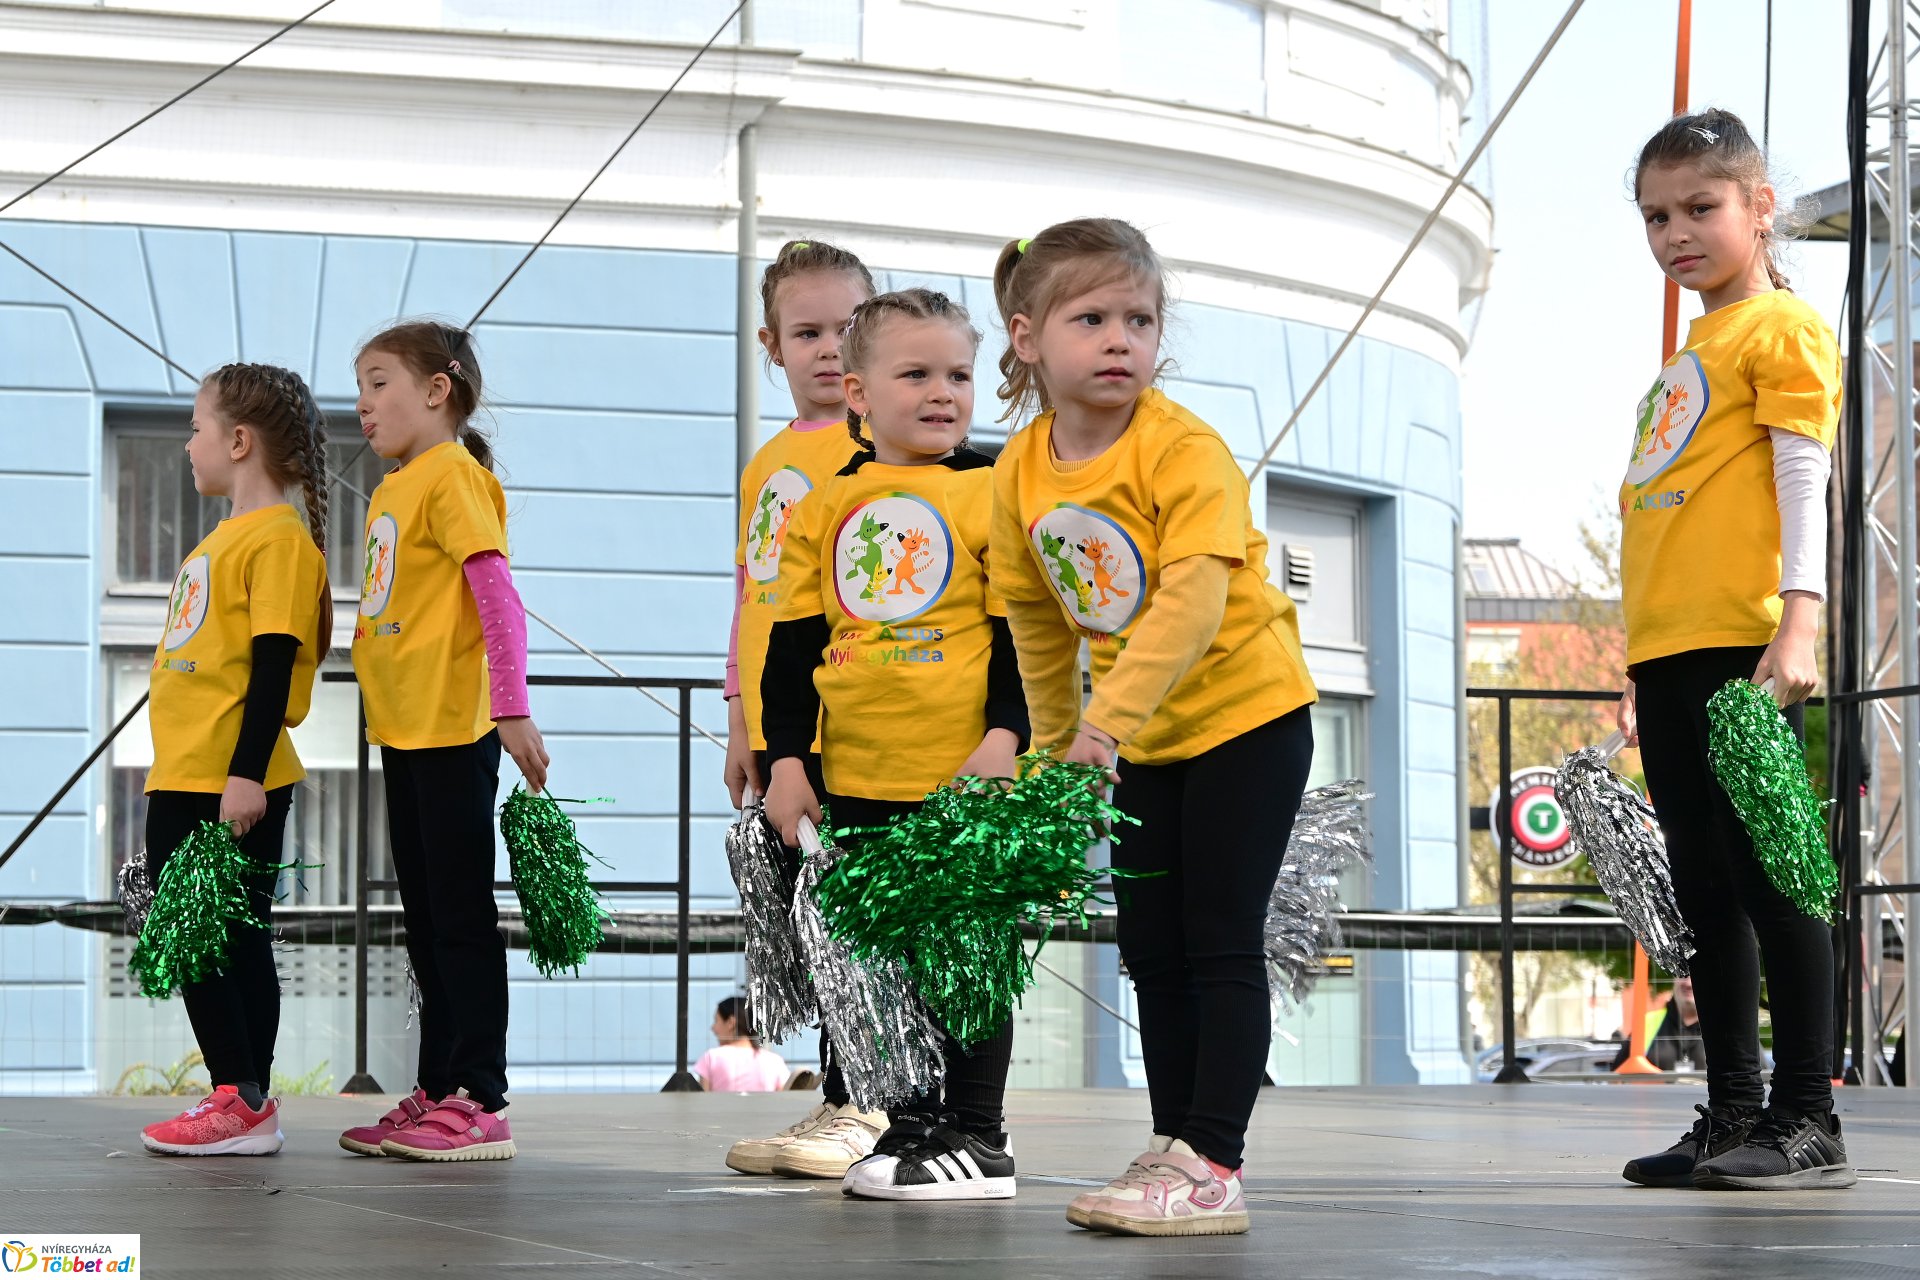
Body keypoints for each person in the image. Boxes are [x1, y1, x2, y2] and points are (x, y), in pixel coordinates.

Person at [988, 218, 1317, 1236]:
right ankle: (1174, 1143)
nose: (1121, 337)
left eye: (1140, 317)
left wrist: (1104, 727)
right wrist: (1056, 755)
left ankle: (1214, 1157)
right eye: (1091, 317)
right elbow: (1037, 623)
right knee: (1152, 949)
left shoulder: (1182, 447)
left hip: (1247, 717)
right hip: (1147, 740)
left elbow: (1191, 599)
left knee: (1218, 940)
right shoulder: (1019, 471)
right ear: (1027, 335)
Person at [1615, 109, 1853, 1191]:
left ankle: (1810, 1114)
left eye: (1701, 207)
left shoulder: (1782, 330)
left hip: (1745, 645)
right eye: (1656, 214)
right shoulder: (1684, 357)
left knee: (1773, 872)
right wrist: (1638, 666)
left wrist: (1800, 617)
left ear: (1761, 208)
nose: (1677, 232)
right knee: (1702, 884)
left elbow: (1805, 477)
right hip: (1671, 650)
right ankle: (1732, 1109)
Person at [761, 288, 1027, 1200]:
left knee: (967, 958)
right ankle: (911, 1125)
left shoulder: (993, 492)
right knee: (880, 965)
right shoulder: (824, 504)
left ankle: (979, 1136)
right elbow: (791, 644)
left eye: (958, 374)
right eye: (915, 374)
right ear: (858, 391)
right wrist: (789, 760)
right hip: (855, 777)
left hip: (961, 783)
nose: (943, 392)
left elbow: (1023, 635)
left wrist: (1006, 738)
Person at [337, 321, 549, 1163]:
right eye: (359, 385)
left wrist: (511, 707)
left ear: (437, 390)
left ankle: (479, 1095)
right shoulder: (397, 486)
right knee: (423, 918)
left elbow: (496, 596)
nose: (363, 402)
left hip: (456, 728)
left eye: (380, 381)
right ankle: (435, 1084)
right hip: (404, 729)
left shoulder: (453, 476)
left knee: (460, 916)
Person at [137, 364, 332, 1157]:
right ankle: (244, 1095)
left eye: (196, 426)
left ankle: (239, 1095)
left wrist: (245, 773)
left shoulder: (279, 539)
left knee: (218, 935)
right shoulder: (222, 538)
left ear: (240, 441)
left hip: (226, 777)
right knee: (213, 935)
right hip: (185, 770)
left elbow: (274, 662)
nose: (190, 445)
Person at [722, 240, 882, 1176]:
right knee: (806, 920)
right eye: (807, 331)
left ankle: (867, 1102)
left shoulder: (882, 448)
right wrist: (745, 720)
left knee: (854, 916)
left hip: (857, 716)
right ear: (770, 343)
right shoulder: (769, 462)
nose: (828, 350)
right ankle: (840, 1097)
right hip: (782, 728)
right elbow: (752, 594)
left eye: (846, 329)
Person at [695, 996, 791, 1093]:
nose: (713, 1028)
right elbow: (786, 1101)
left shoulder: (711, 1059)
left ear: (731, 1023)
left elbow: (702, 1103)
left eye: (716, 1021)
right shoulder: (774, 1062)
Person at [1611, 977, 1706, 1072]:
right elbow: (1617, 1076)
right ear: (1674, 979)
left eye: (1695, 975)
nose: (1689, 983)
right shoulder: (1645, 1024)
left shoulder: (1720, 1028)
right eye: (1683, 975)